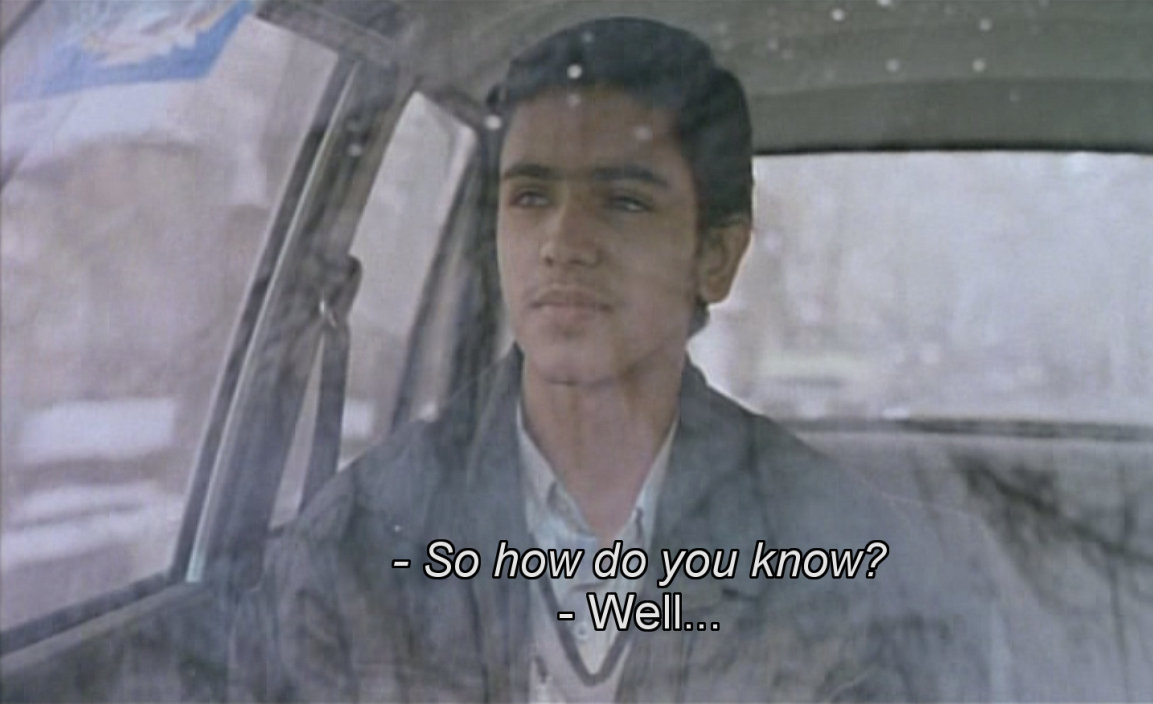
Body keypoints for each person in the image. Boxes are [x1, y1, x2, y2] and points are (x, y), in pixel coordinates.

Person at [230, 16, 996, 702]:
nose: (563, 243)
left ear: (715, 257)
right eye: (531, 197)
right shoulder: (363, 538)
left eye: (624, 201)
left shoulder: (839, 553)